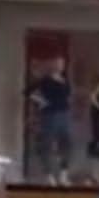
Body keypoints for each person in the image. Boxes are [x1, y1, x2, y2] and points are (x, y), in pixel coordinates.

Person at [26, 56, 73, 186]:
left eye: (62, 63)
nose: (60, 66)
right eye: (58, 63)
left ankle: (64, 174)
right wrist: (42, 102)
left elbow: (68, 96)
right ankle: (49, 175)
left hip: (64, 114)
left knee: (66, 144)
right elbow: (28, 92)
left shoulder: (65, 80)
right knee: (46, 144)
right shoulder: (45, 80)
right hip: (50, 115)